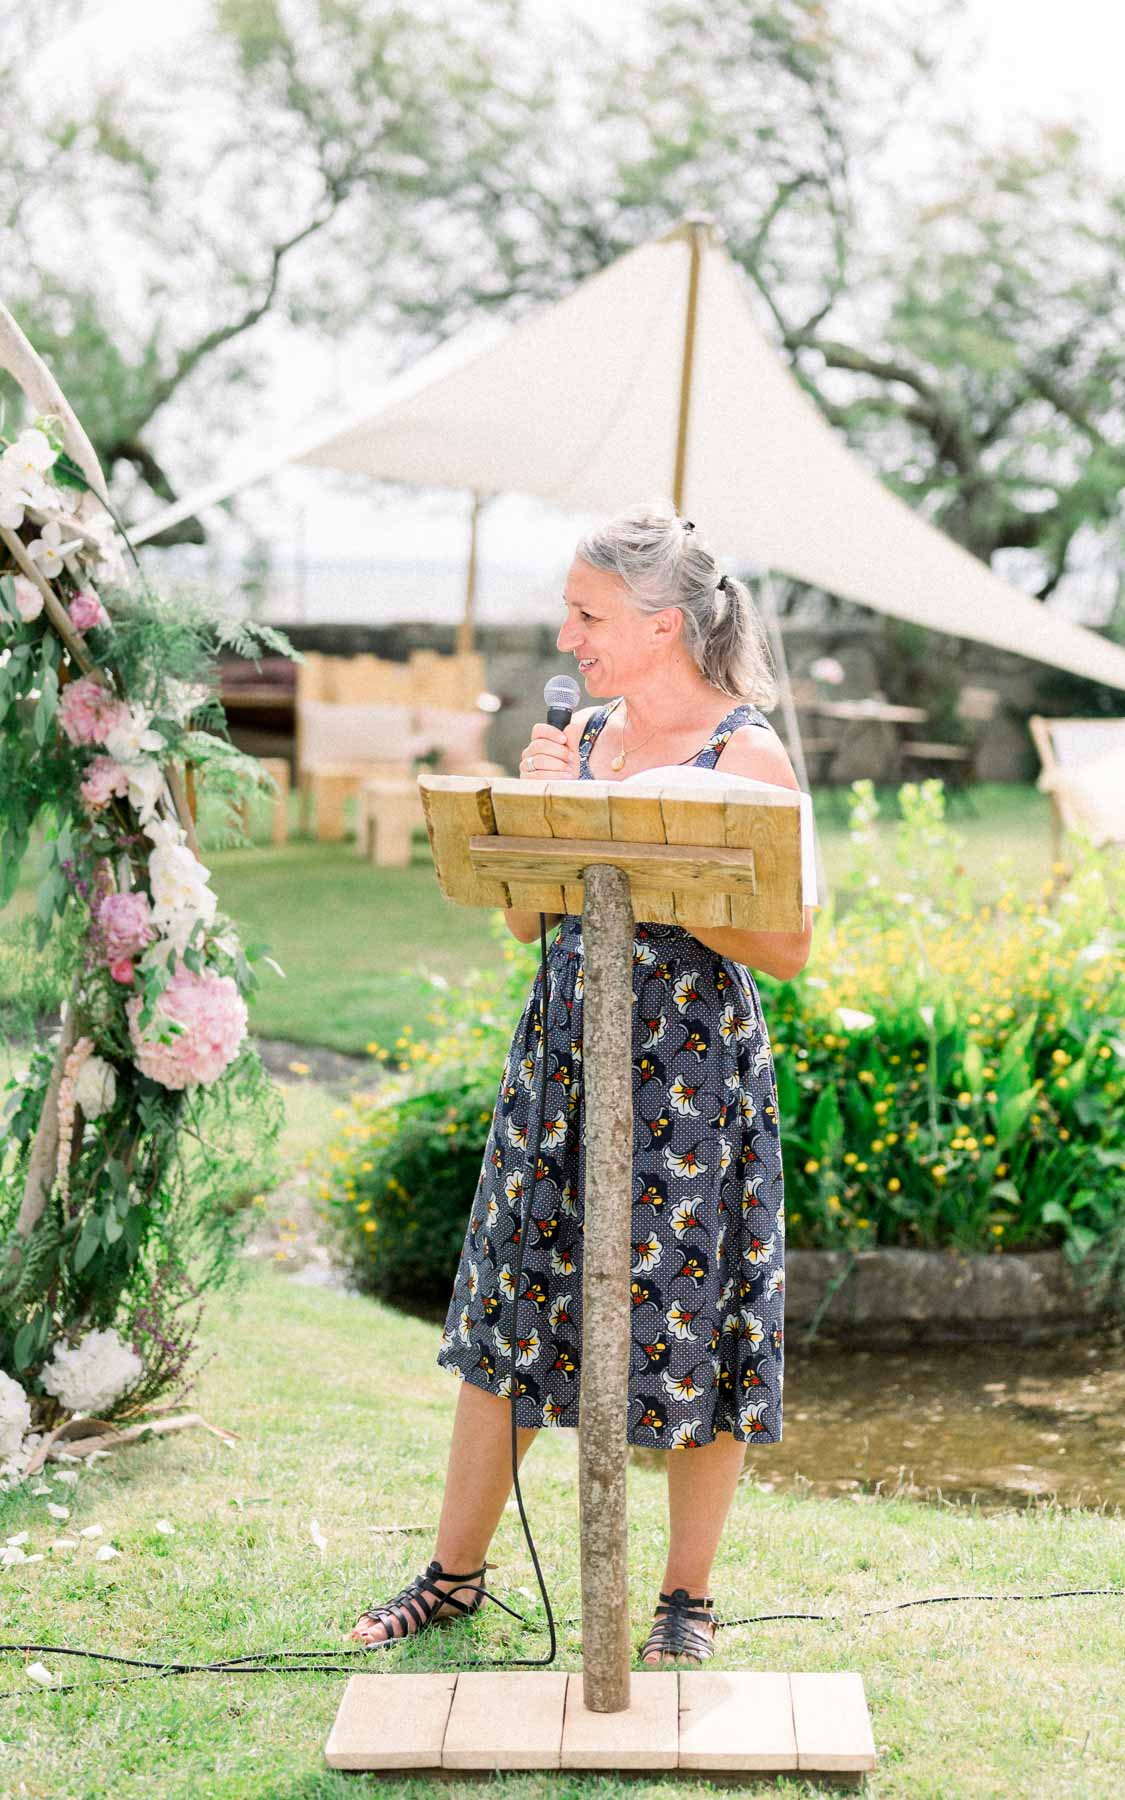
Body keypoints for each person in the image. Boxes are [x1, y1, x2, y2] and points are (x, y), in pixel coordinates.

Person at [351, 501, 814, 1666]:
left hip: (690, 1090)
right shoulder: (585, 736)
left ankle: (684, 1605)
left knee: (696, 1328)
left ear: (661, 624)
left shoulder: (746, 755)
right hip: (559, 1066)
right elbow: (520, 920)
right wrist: (542, 806)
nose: (567, 637)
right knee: (511, 1305)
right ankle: (453, 1578)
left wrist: (660, 872)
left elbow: (792, 947)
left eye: (587, 614)